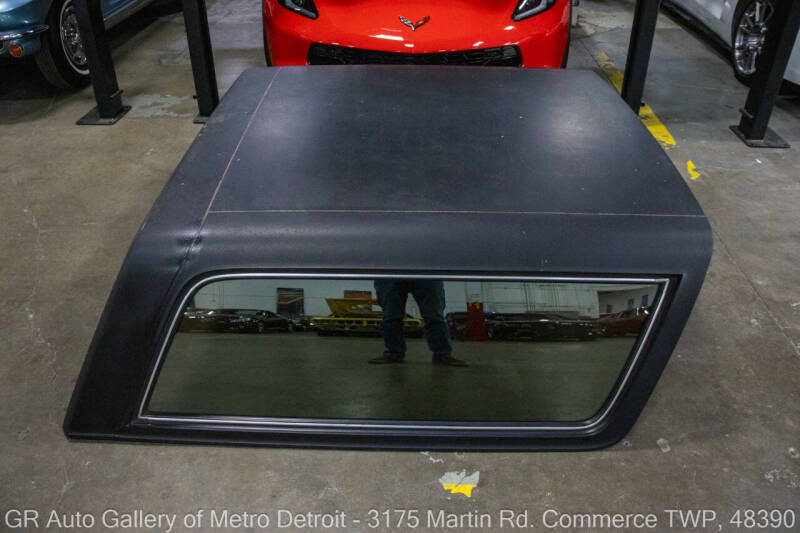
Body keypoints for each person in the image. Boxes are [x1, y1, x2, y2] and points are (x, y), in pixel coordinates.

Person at [369, 279, 467, 366]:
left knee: (434, 315)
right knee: (391, 316)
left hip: (423, 269)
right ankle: (393, 353)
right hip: (392, 270)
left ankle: (442, 354)